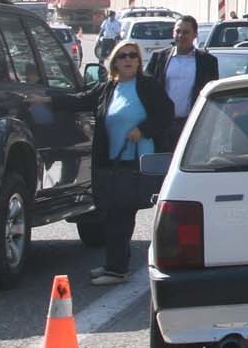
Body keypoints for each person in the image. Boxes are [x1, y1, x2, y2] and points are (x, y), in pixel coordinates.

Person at [66, 42, 173, 284]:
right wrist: (44, 99)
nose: (128, 60)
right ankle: (113, 265)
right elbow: (80, 100)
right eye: (123, 56)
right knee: (113, 215)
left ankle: (116, 270)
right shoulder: (109, 88)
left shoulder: (147, 86)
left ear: (138, 61)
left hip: (136, 163)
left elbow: (166, 113)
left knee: (121, 217)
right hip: (111, 163)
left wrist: (142, 130)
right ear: (114, 61)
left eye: (133, 56)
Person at [154, 15, 218, 148]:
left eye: (186, 32)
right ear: (173, 33)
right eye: (178, 31)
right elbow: (149, 89)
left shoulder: (208, 61)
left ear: (195, 35)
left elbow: (213, 95)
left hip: (193, 125)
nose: (181, 35)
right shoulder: (159, 57)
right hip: (163, 125)